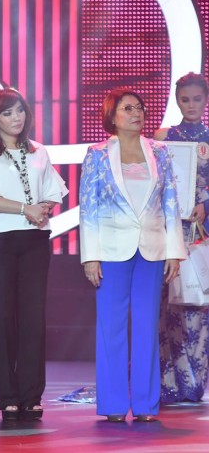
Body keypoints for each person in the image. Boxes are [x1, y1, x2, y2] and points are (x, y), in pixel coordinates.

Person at [80, 88, 185, 422]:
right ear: (112, 116)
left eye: (139, 107)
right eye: (128, 108)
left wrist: (174, 251)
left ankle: (145, 405)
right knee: (111, 327)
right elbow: (89, 207)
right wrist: (90, 256)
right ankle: (113, 404)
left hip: (152, 248)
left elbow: (171, 202)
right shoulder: (97, 154)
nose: (136, 113)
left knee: (146, 325)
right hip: (111, 249)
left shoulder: (160, 151)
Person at [0, 88, 68, 421]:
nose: (16, 117)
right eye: (8, 112)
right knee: (2, 318)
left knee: (32, 319)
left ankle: (31, 395)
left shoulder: (38, 151)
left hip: (34, 241)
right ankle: (8, 396)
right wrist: (26, 208)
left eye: (20, 110)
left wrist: (42, 208)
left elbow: (54, 192)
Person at [154, 73, 209, 403]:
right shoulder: (163, 138)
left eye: (197, 99)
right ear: (177, 101)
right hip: (170, 230)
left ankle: (195, 382)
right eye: (185, 99)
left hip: (202, 232)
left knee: (200, 304)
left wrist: (206, 205)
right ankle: (171, 382)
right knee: (169, 303)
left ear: (206, 100)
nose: (191, 105)